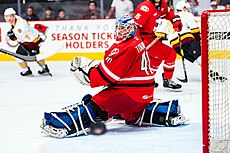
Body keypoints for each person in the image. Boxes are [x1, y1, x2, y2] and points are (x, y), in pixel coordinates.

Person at [40, 15, 186, 138]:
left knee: (95, 105)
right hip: (145, 94)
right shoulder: (137, 42)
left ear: (132, 29)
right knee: (131, 114)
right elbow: (122, 69)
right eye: (118, 27)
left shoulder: (124, 47)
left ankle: (62, 123)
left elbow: (106, 77)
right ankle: (167, 112)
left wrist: (89, 73)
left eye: (124, 28)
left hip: (128, 94)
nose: (120, 31)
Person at [134, 0, 182, 91]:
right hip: (144, 39)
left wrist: (175, 21)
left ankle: (147, 79)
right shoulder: (145, 8)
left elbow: (168, 12)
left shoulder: (162, 4)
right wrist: (136, 42)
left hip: (151, 37)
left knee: (155, 59)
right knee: (170, 54)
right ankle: (167, 80)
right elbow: (135, 26)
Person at [4, 8, 51, 76]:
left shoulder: (20, 27)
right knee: (20, 56)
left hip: (32, 42)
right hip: (30, 40)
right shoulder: (16, 19)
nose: (8, 19)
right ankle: (32, 69)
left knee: (33, 56)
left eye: (10, 16)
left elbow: (21, 39)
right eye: (7, 16)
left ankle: (40, 68)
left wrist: (13, 37)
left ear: (14, 15)